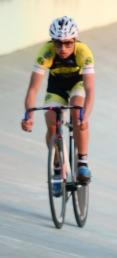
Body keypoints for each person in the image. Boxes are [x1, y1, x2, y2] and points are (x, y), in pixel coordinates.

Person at [21, 16, 95, 192]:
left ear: (75, 40)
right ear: (52, 42)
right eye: (58, 43)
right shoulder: (45, 53)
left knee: (78, 115)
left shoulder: (84, 52)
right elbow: (33, 88)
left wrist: (86, 116)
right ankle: (56, 166)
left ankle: (82, 161)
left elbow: (90, 88)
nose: (63, 48)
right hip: (56, 87)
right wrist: (28, 115)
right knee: (52, 123)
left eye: (68, 43)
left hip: (77, 84)